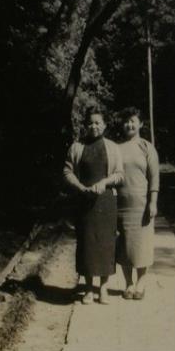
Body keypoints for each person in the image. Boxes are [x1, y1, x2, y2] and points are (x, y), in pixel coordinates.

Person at [63, 107, 124, 304]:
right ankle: (89, 289)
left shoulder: (113, 148)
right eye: (90, 123)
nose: (94, 126)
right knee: (87, 244)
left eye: (98, 122)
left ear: (104, 125)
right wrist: (80, 187)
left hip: (106, 202)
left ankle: (103, 288)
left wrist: (104, 182)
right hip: (84, 202)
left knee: (106, 244)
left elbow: (120, 175)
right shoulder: (76, 147)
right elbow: (67, 171)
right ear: (85, 125)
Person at [116, 107, 160, 300]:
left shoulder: (147, 147)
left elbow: (154, 177)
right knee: (124, 245)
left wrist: (153, 202)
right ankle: (128, 283)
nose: (129, 125)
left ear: (140, 124)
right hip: (121, 204)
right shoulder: (117, 148)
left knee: (142, 245)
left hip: (141, 205)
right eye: (126, 121)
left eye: (133, 121)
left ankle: (141, 283)